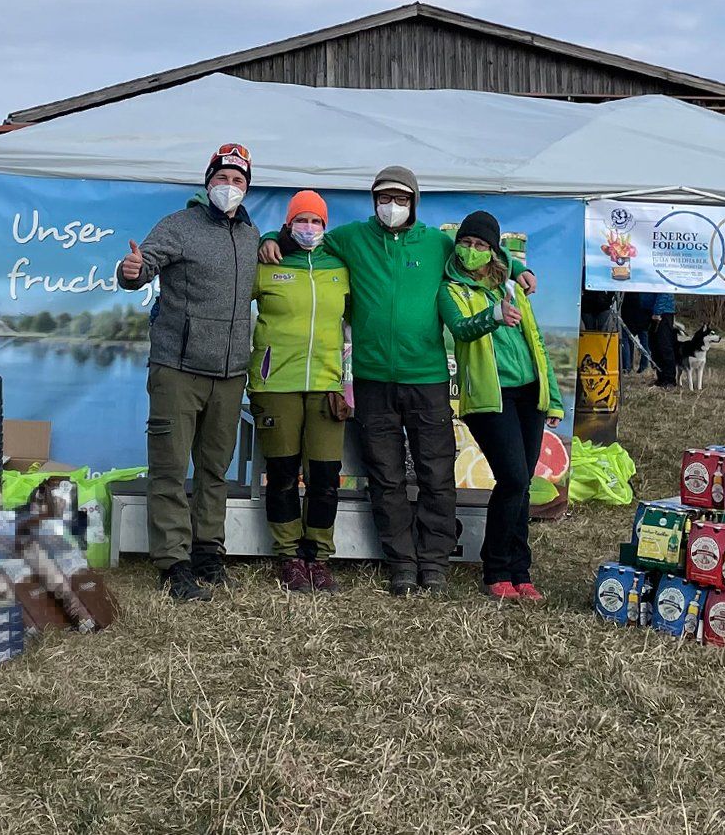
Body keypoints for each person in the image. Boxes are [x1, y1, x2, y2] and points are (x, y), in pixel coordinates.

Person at [259, 166, 536, 596]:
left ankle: (434, 561)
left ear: (414, 203)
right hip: (372, 381)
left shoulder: (436, 243)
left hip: (426, 379)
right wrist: (269, 239)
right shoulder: (351, 238)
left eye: (401, 199)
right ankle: (401, 562)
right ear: (374, 202)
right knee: (386, 477)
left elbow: (476, 254)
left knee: (435, 473)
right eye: (384, 198)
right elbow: (303, 238)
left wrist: (516, 268)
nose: (392, 207)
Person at [118, 143, 261, 602]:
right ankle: (174, 563)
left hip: (229, 373)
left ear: (246, 188)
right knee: (169, 469)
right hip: (177, 369)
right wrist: (132, 271)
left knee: (214, 471)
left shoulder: (252, 235)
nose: (229, 187)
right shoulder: (179, 226)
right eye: (222, 178)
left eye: (238, 181)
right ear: (208, 182)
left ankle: (208, 553)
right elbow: (141, 270)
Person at [438, 211, 564, 600]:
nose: (471, 251)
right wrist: (492, 315)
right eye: (467, 243)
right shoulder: (450, 289)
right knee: (511, 478)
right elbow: (460, 328)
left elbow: (536, 343)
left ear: (493, 252)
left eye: (481, 245)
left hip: (529, 394)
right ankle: (495, 569)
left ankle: (520, 572)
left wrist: (553, 397)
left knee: (522, 485)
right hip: (490, 399)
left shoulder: (511, 287)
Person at [249, 190, 350, 594]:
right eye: (301, 220)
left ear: (326, 228)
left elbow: (359, 322)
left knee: (326, 476)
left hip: (327, 385)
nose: (309, 228)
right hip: (276, 385)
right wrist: (264, 240)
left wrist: (349, 380)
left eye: (317, 222)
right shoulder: (267, 264)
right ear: (288, 225)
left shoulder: (340, 268)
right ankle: (289, 556)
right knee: (284, 475)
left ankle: (319, 558)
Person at [647, 291, 679, 388]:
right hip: (653, 311)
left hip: (663, 313)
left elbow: (665, 291)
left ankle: (669, 379)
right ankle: (661, 378)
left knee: (664, 346)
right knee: (655, 346)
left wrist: (658, 311)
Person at [620, 292, 653, 375]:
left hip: (628, 317)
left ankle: (627, 367)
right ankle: (644, 366)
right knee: (645, 343)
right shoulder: (645, 289)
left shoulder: (627, 289)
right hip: (644, 318)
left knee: (626, 340)